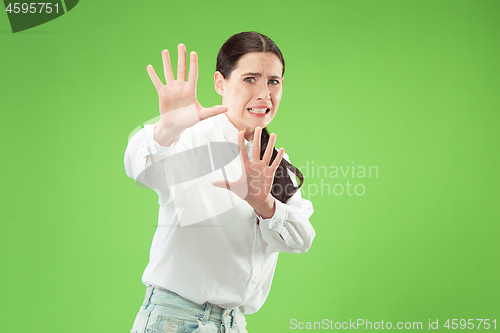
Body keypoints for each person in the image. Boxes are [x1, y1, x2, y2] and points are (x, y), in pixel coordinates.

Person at [125, 31, 315, 333]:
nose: (264, 94)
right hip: (176, 319)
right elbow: (141, 166)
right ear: (219, 83)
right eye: (250, 79)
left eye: (273, 81)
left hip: (232, 323)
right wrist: (166, 130)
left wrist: (263, 203)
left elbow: (302, 239)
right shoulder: (194, 137)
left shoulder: (274, 163)